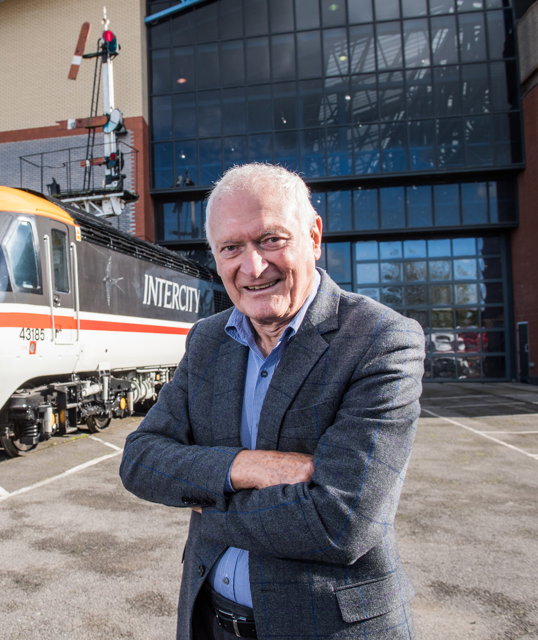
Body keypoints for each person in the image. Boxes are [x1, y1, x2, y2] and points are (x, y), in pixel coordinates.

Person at [120, 163, 425, 640]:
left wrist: (203, 501)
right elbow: (140, 461)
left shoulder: (381, 340)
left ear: (314, 235)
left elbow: (340, 523)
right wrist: (245, 467)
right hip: (209, 621)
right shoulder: (207, 340)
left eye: (271, 240)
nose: (253, 268)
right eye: (231, 248)